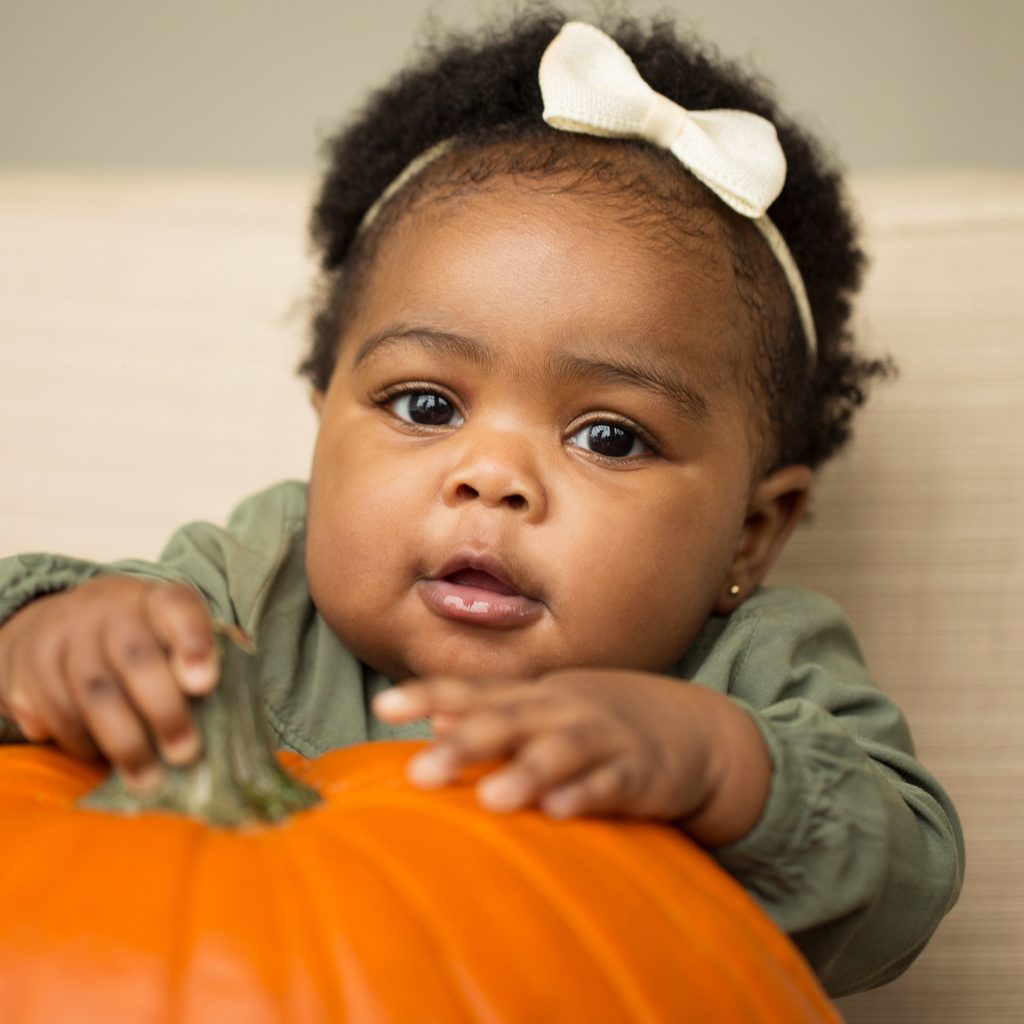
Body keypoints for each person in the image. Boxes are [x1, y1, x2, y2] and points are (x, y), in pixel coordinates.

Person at [0, 11, 961, 997]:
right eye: (425, 405)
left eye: (609, 436)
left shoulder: (756, 665)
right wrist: (45, 637)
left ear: (751, 536)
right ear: (323, 423)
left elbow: (904, 889)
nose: (490, 477)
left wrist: (719, 769)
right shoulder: (254, 582)